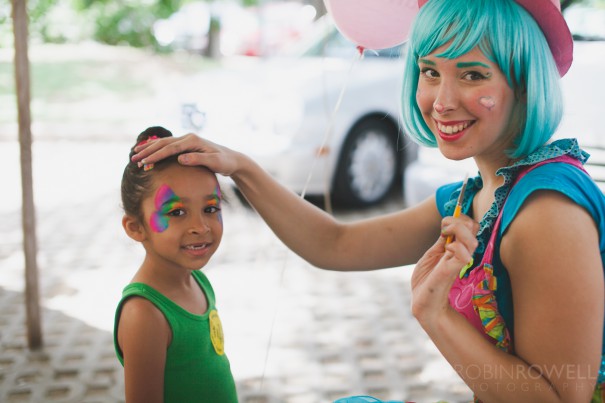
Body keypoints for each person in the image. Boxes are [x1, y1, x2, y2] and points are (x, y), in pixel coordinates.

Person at [130, 0, 605, 401]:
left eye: (473, 74)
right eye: (429, 71)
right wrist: (242, 167)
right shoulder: (475, 197)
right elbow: (334, 244)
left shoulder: (547, 212)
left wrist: (434, 315)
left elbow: (564, 399)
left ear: (523, 83)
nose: (442, 100)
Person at [113, 126, 238, 403]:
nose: (200, 227)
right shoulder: (144, 315)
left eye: (210, 208)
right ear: (136, 227)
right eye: (177, 212)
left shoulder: (196, 279)